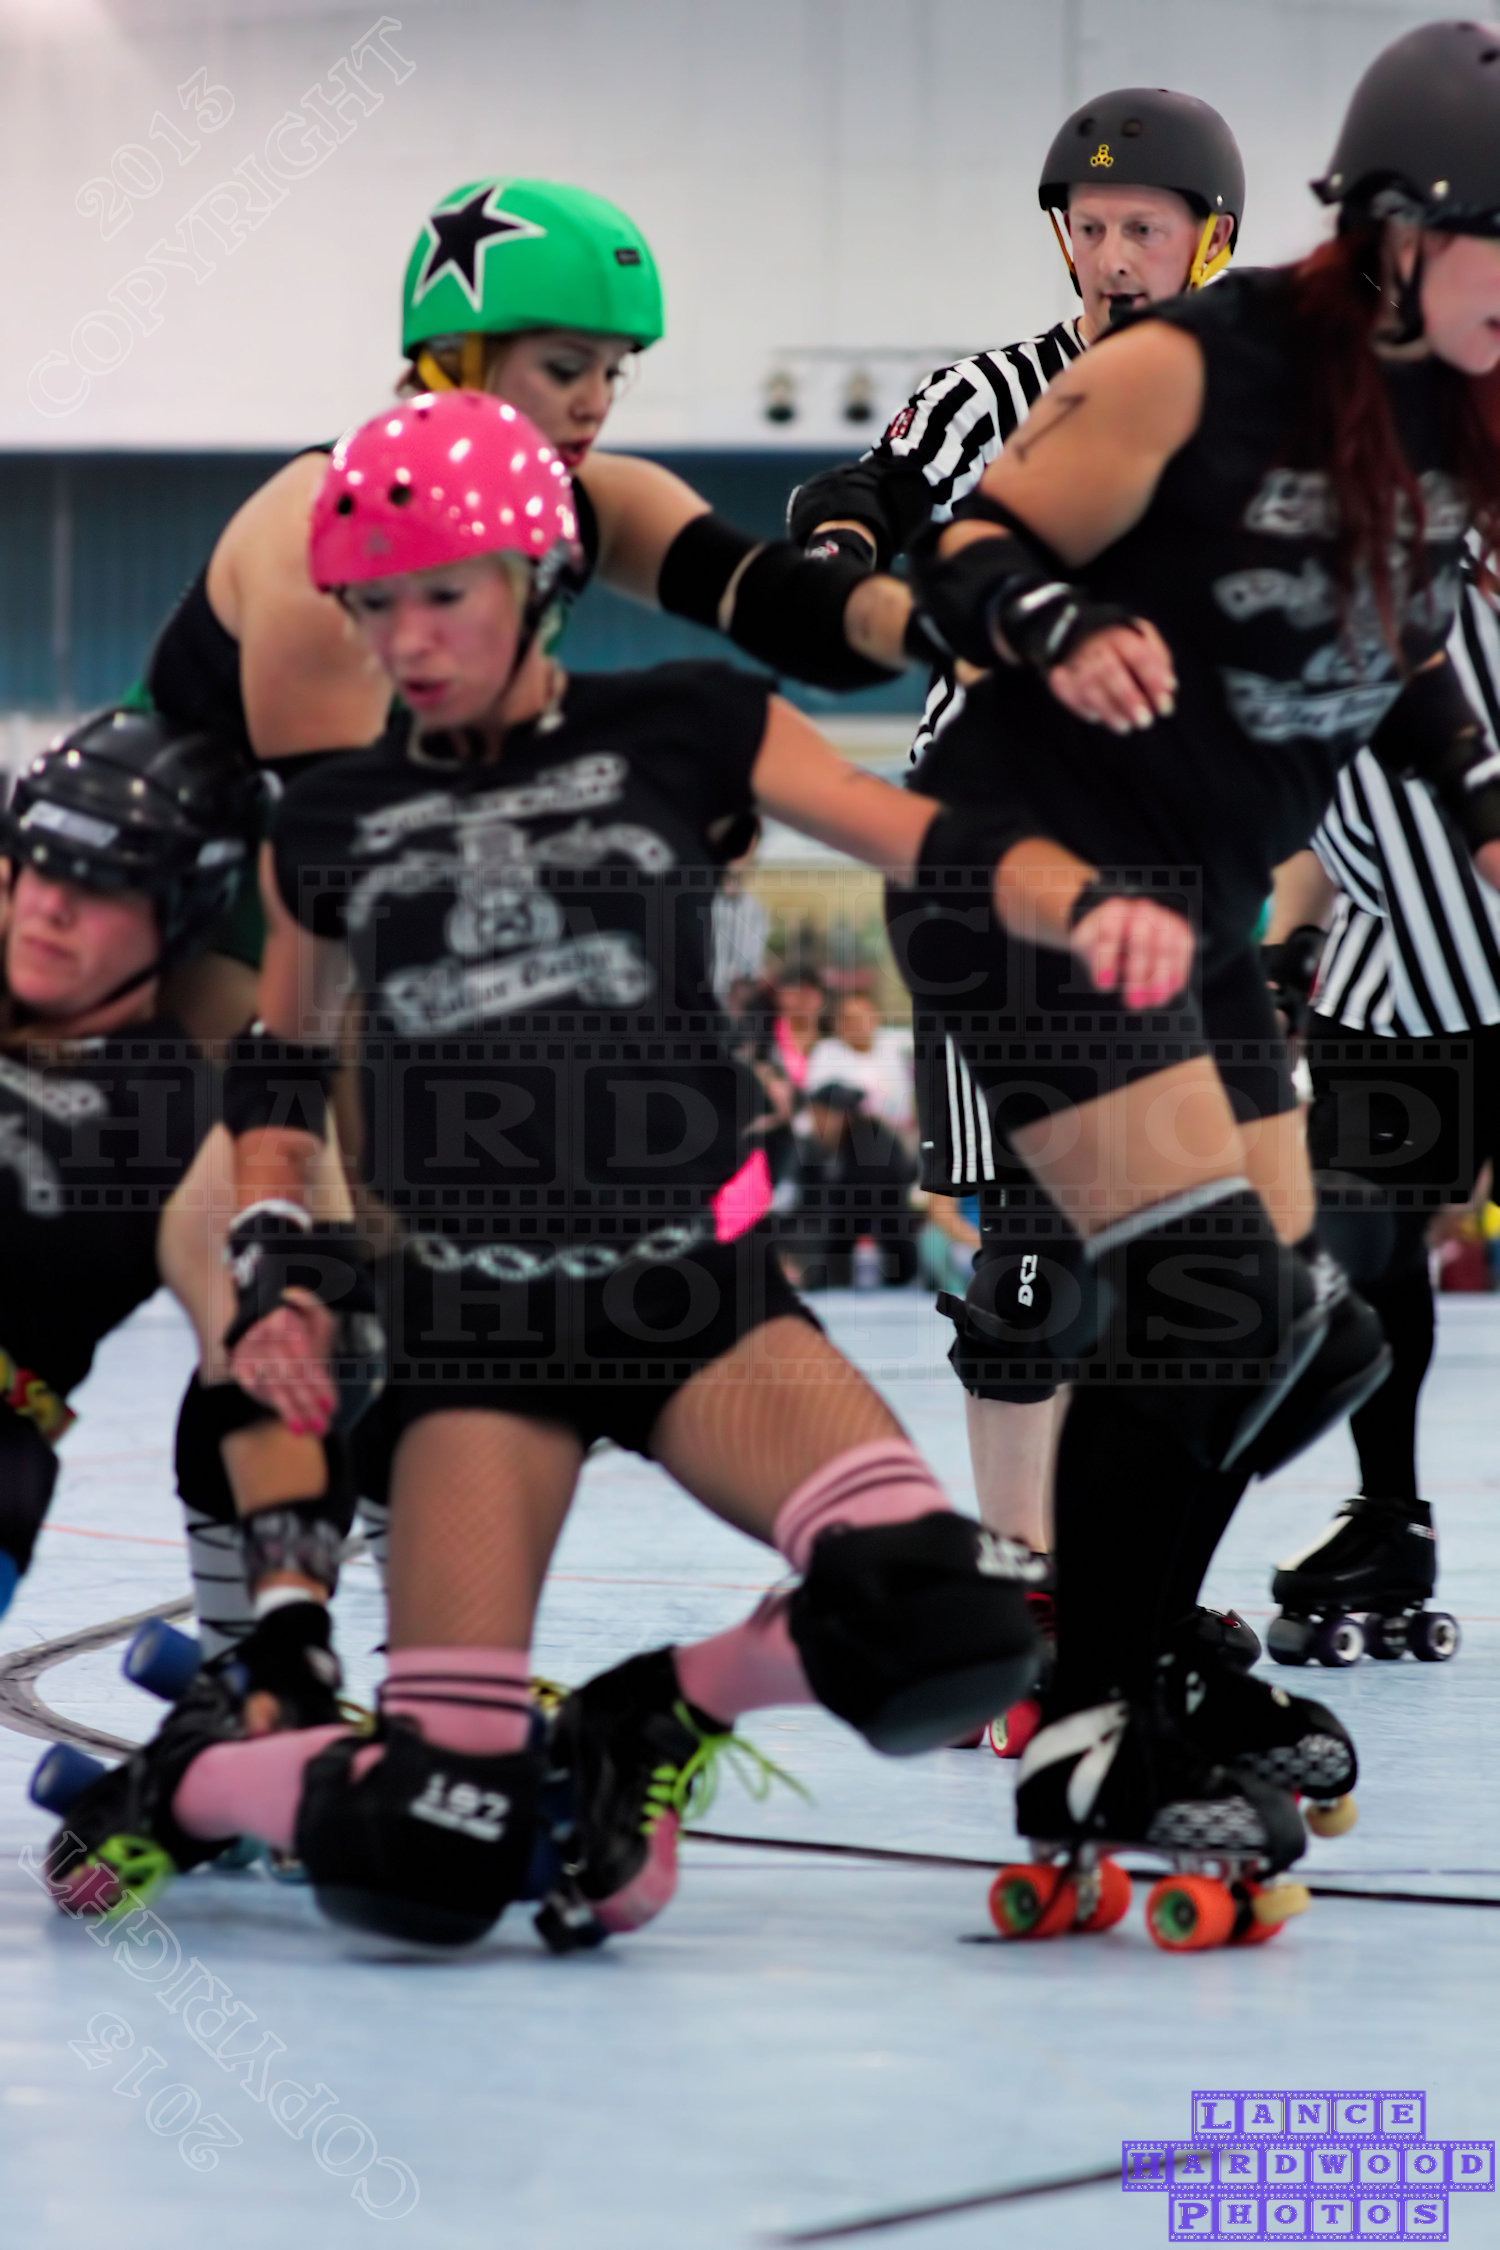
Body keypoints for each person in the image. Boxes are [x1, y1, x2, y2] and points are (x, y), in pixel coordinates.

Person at [45, 391, 1058, 1950]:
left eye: (441, 594)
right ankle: (197, 1784)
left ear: (538, 579)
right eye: (372, 606)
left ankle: (650, 1714)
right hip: (476, 1339)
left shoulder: (688, 721)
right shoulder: (331, 817)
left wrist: (1113, 901)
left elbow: (915, 835)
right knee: (428, 1858)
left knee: (959, 1627)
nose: (406, 639)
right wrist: (273, 1249)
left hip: (698, 1306)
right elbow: (282, 1067)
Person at [138, 176, 920, 1675]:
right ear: (453, 355)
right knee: (304, 1256)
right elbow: (368, 888)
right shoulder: (322, 540)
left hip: (332, 914)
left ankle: (337, 1630)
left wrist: (947, 605)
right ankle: (255, 1660)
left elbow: (782, 609)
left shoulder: (575, 497)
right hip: (195, 936)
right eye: (566, 366)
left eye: (615, 372)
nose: (596, 405)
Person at [886, 16, 1500, 1891]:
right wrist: (1059, 623)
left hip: (1196, 914)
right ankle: (1090, 1728)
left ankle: (1143, 1650)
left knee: (1308, 1336)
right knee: (1216, 1303)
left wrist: (1482, 802)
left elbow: (1396, 647)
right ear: (1401, 227)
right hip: (1034, 883)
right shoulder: (1189, 368)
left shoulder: (1448, 422)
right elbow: (965, 550)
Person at [788, 89, 1243, 1569]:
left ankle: (1127, 1586)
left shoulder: (1252, 416)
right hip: (993, 849)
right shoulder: (999, 389)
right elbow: (866, 483)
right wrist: (842, 549)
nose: (1111, 259)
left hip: (1173, 852)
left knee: (1188, 1255)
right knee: (1032, 1250)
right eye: (1090, 229)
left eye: (1142, 230)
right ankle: (1028, 1576)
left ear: (1209, 242)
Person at [1255, 549, 1500, 1664]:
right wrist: (1282, 959)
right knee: (1365, 1261)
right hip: (1388, 982)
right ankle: (1392, 1516)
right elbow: (1323, 816)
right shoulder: (1304, 591)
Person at [0, 711, 268, 1621]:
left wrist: (287, 1615)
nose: (53, 908)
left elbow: (264, 1372)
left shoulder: (181, 1120)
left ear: (178, 912)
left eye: (102, 885)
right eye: (42, 866)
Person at [789, 1081, 919, 1288]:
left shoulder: (872, 1142)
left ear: (842, 1116)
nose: (816, 1123)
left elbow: (863, 1199)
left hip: (886, 1241)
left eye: (821, 1116)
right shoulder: (823, 1146)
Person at [805, 991, 916, 1140]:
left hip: (901, 1131)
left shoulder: (893, 1042)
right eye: (849, 1019)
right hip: (852, 1137)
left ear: (875, 1018)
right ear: (837, 1024)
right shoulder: (826, 1051)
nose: (857, 1024)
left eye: (863, 1017)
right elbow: (818, 1098)